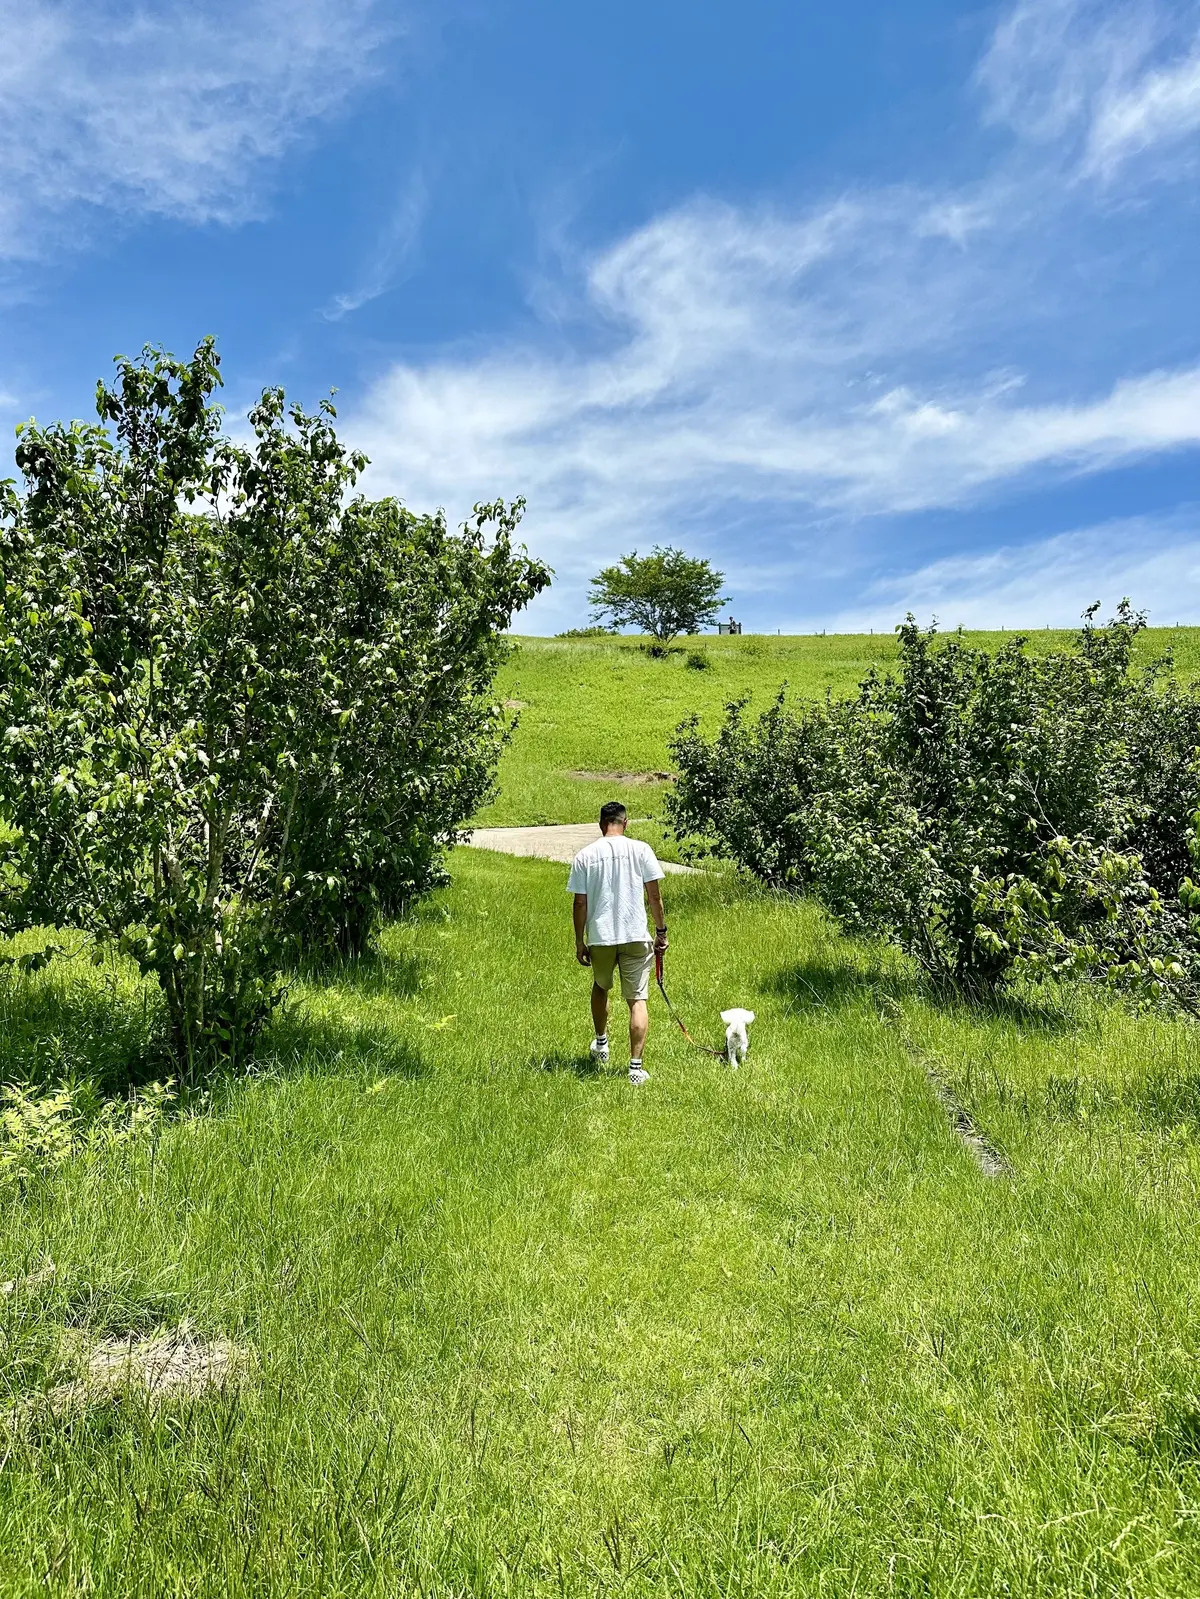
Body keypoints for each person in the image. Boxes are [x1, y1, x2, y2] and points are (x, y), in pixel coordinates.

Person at [567, 801, 668, 1085]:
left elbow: (579, 903)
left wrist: (579, 941)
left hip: (601, 936)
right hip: (636, 934)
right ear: (626, 823)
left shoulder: (585, 855)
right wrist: (661, 931)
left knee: (600, 987)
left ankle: (601, 1045)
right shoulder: (641, 850)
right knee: (637, 999)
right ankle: (635, 1068)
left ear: (601, 824)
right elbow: (654, 897)